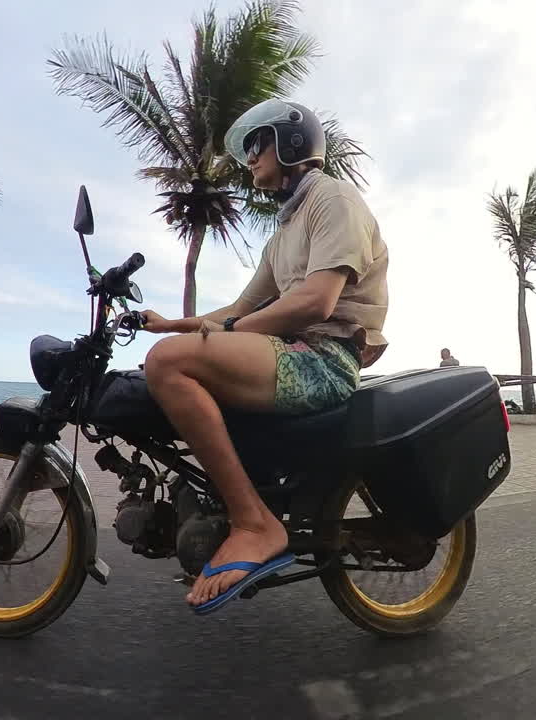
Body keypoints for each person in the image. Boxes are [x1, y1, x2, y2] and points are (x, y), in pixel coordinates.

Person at [138, 99, 388, 612]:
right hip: (290, 351)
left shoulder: (333, 199)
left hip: (325, 359)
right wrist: (176, 323)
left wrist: (223, 332)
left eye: (257, 144)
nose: (249, 157)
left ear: (292, 142)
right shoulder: (284, 233)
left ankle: (254, 523)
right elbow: (238, 308)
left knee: (168, 364)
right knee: (169, 351)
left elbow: (316, 301)